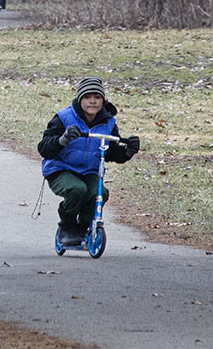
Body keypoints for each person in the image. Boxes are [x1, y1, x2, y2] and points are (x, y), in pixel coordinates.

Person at [37, 76, 140, 246]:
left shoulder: (108, 122)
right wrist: (62, 140)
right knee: (77, 189)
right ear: (79, 99)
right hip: (60, 169)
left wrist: (128, 151)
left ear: (103, 100)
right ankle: (66, 227)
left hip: (89, 171)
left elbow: (111, 152)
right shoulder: (63, 118)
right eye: (87, 97)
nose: (92, 101)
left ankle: (83, 228)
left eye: (97, 97)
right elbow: (44, 148)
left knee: (99, 193)